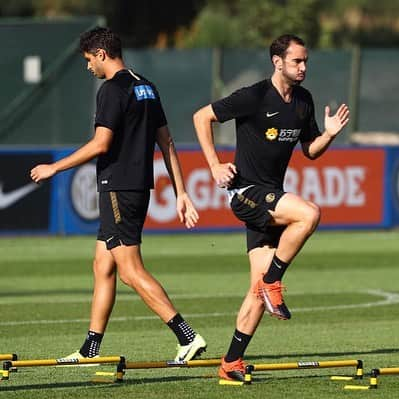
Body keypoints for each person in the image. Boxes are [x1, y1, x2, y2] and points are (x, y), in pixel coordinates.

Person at [30, 27, 207, 362]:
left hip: (118, 188)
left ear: (101, 53)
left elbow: (101, 144)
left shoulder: (111, 90)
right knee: (103, 265)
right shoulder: (147, 87)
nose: (88, 68)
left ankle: (187, 336)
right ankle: (90, 349)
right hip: (137, 187)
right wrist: (181, 193)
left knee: (129, 271)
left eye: (88, 60)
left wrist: (55, 168)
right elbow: (166, 142)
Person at [193, 34, 350, 381]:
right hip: (246, 193)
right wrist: (214, 165)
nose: (304, 67)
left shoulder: (304, 100)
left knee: (255, 291)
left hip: (270, 198)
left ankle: (230, 362)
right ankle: (274, 282)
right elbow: (201, 117)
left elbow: (309, 151)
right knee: (310, 213)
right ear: (278, 62)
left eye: (306, 60)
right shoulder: (254, 95)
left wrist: (329, 135)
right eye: (297, 61)